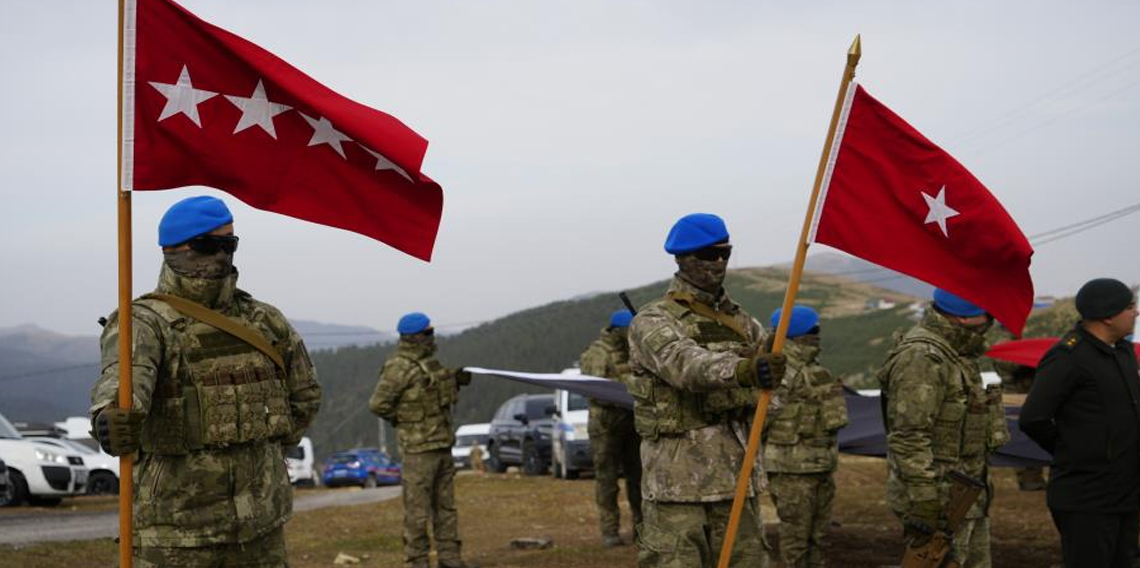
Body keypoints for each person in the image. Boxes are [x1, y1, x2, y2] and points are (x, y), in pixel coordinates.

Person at [90, 195, 323, 567]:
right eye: (206, 245)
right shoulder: (145, 323)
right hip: (177, 531)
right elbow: (124, 386)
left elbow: (305, 396)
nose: (220, 256)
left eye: (228, 244)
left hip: (260, 527)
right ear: (173, 251)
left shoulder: (265, 321)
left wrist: (260, 451)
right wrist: (110, 417)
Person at [626, 212, 785, 568]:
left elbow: (777, 398)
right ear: (683, 259)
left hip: (738, 484)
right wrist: (745, 370)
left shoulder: (744, 324)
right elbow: (685, 365)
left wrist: (769, 382)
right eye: (708, 255)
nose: (718, 263)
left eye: (724, 254)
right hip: (678, 489)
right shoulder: (653, 320)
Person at [878, 288, 1009, 568]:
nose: (989, 320)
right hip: (940, 501)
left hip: (965, 497)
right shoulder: (923, 357)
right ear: (963, 318)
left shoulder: (956, 354)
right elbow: (908, 436)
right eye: (984, 314)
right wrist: (925, 501)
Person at [1020, 278, 1139, 568]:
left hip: (1125, 492)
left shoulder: (1121, 353)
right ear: (1108, 316)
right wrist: (1073, 451)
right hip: (1087, 497)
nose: (1135, 313)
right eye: (1130, 307)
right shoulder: (1068, 358)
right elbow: (1033, 417)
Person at [370, 313, 478, 568]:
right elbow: (378, 404)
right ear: (416, 337)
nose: (433, 337)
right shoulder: (399, 367)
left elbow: (434, 391)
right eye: (428, 333)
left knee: (446, 508)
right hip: (418, 451)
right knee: (417, 512)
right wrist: (407, 421)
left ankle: (450, 559)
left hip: (441, 444)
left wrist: (455, 379)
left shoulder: (431, 364)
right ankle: (417, 562)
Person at [763, 305, 848, 568]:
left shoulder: (812, 367)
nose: (817, 335)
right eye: (814, 329)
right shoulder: (782, 370)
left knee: (818, 538)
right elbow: (761, 418)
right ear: (800, 332)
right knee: (796, 541)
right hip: (791, 470)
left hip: (820, 466)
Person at [579, 308, 643, 547]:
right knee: (606, 479)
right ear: (618, 331)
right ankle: (610, 530)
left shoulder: (635, 350)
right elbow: (595, 388)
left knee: (638, 477)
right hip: (605, 424)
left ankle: (642, 527)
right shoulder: (598, 353)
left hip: (632, 420)